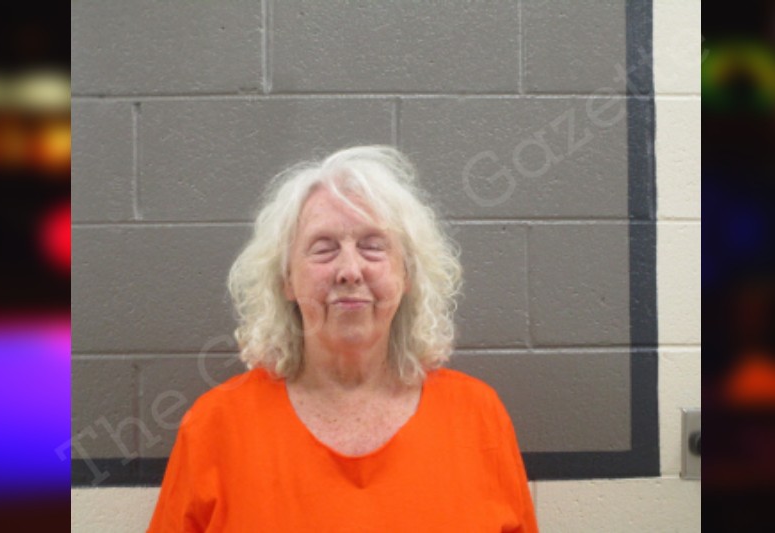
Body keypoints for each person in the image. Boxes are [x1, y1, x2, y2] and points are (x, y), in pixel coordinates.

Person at [147, 145, 538, 532]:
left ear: (407, 275)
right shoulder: (214, 428)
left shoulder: (479, 419)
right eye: (323, 249)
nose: (350, 270)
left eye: (372, 246)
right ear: (286, 280)